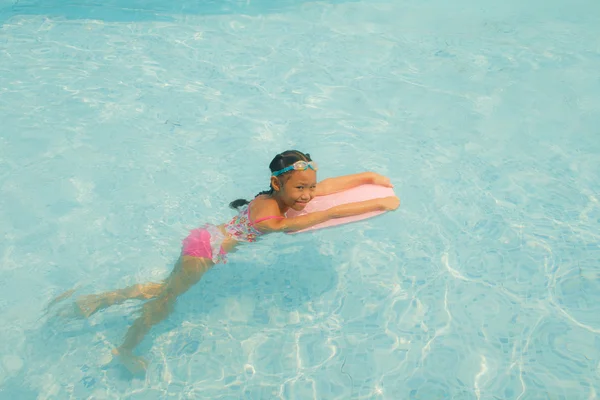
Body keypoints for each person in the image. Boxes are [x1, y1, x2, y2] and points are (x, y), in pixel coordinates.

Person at [67, 150, 400, 374]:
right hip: (204, 254)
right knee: (167, 300)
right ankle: (125, 349)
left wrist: (368, 177)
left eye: (309, 187)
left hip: (203, 239)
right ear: (276, 184)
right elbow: (329, 212)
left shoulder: (271, 195)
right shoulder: (271, 218)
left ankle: (99, 300)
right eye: (300, 188)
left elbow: (327, 187)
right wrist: (380, 204)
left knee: (165, 288)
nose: (308, 195)